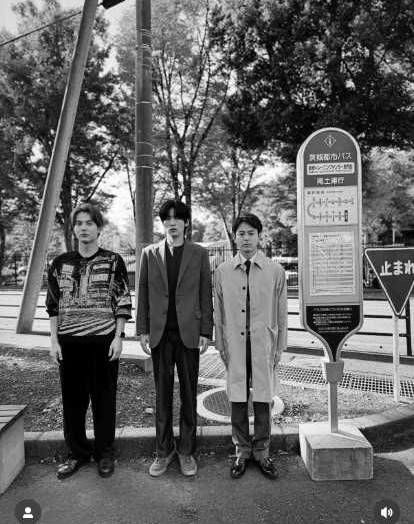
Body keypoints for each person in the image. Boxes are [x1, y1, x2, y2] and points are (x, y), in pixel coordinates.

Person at [46, 202, 132, 480]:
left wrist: (118, 337)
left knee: (104, 400)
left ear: (98, 228)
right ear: (74, 229)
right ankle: (77, 453)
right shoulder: (60, 264)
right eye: (79, 223)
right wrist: (54, 341)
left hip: (103, 343)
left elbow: (122, 301)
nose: (84, 228)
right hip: (69, 344)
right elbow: (53, 306)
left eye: (89, 223)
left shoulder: (113, 261)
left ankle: (105, 453)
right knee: (73, 402)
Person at [136, 199, 213, 477]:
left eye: (177, 218)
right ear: (163, 223)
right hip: (160, 335)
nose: (172, 222)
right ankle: (164, 451)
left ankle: (186, 451)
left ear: (185, 222)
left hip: (189, 333)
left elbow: (205, 292)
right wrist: (142, 330)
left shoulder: (198, 254)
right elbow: (143, 292)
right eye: (167, 218)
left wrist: (206, 331)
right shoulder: (149, 253)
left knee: (189, 395)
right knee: (162, 396)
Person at [214, 213, 287, 480]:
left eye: (251, 233)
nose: (246, 239)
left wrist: (280, 346)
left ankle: (262, 451)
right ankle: (242, 451)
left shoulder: (275, 271)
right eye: (241, 234)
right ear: (235, 237)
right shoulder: (222, 272)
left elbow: (281, 312)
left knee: (263, 398)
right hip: (234, 343)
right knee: (237, 397)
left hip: (263, 343)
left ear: (259, 236)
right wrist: (220, 343)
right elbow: (218, 312)